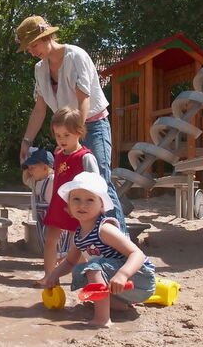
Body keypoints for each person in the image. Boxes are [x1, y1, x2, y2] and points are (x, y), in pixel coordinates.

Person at [15, 15, 128, 236]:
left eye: (34, 45)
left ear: (46, 36)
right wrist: (26, 140)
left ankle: (121, 246)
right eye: (28, 48)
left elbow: (83, 99)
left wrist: (76, 135)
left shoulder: (75, 56)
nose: (31, 51)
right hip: (66, 133)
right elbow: (39, 109)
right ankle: (89, 243)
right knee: (73, 186)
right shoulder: (39, 68)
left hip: (92, 125)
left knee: (100, 182)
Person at [42, 172, 156, 327]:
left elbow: (137, 254)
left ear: (102, 205)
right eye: (76, 199)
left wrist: (123, 275)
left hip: (139, 279)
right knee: (81, 272)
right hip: (122, 288)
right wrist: (53, 274)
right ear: (68, 205)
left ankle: (102, 319)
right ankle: (120, 306)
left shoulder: (104, 229)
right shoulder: (78, 234)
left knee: (93, 268)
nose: (82, 205)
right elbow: (69, 262)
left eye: (90, 200)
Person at [39, 107, 101, 287]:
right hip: (59, 204)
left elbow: (96, 183)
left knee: (78, 244)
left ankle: (80, 278)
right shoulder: (58, 153)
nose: (62, 139)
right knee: (50, 239)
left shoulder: (85, 157)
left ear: (79, 132)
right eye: (58, 135)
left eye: (66, 135)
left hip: (79, 206)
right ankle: (50, 276)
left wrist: (89, 208)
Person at [21, 148, 72, 286]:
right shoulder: (36, 181)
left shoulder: (52, 180)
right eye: (29, 168)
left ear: (45, 167)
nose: (30, 171)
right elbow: (25, 179)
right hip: (43, 220)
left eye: (32, 168)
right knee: (50, 247)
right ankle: (53, 275)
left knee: (56, 247)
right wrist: (26, 167)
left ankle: (51, 275)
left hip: (55, 219)